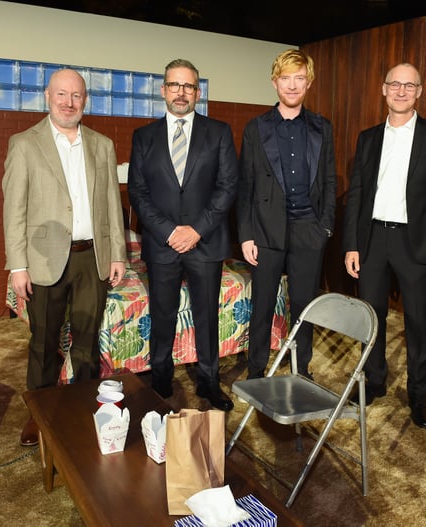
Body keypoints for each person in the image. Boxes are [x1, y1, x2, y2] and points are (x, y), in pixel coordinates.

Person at [3, 68, 127, 446]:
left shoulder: (102, 145)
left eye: (76, 96)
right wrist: (17, 265)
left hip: (92, 257)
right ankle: (38, 414)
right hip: (44, 259)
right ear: (47, 96)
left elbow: (111, 205)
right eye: (62, 94)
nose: (69, 102)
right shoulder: (25, 144)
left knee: (88, 341)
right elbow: (14, 209)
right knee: (44, 341)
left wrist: (117, 253)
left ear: (84, 101)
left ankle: (84, 406)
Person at [343, 63, 426, 429]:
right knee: (371, 316)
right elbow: (358, 194)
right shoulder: (368, 138)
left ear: (420, 92)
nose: (401, 91)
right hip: (374, 239)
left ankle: (418, 395)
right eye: (395, 84)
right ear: (383, 89)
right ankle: (374, 382)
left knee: (419, 322)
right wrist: (351, 244)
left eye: (410, 85)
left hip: (417, 242)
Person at [127, 59, 238, 411]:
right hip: (163, 244)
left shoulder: (219, 132)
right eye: (174, 85)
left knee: (207, 316)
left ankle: (209, 382)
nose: (181, 92)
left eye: (188, 86)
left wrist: (196, 230)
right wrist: (169, 231)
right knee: (163, 314)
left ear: (197, 93)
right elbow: (138, 192)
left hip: (205, 242)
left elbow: (227, 187)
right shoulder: (144, 136)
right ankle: (160, 379)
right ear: (163, 90)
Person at [236, 49, 337, 380]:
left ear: (309, 83)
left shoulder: (323, 128)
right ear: (274, 82)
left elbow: (329, 179)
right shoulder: (256, 128)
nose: (292, 86)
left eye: (299, 78)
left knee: (304, 307)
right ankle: (256, 369)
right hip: (266, 231)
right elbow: (246, 184)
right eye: (285, 78)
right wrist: (246, 234)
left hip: (309, 229)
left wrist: (325, 227)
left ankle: (301, 368)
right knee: (262, 305)